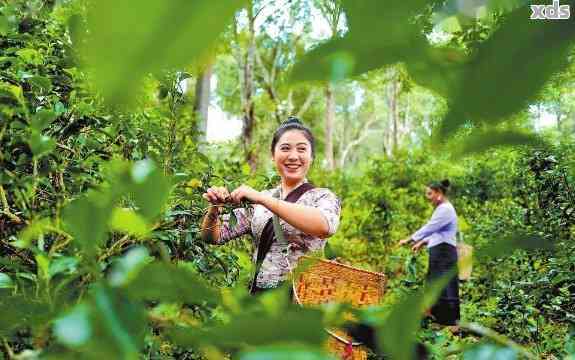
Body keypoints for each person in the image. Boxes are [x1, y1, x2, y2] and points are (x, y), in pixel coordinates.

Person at [200, 117, 341, 294]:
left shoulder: (322, 196)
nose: (293, 156)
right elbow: (213, 236)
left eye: (302, 149)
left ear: (311, 157)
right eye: (285, 148)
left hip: (299, 301)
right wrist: (215, 207)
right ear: (273, 156)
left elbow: (324, 226)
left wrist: (261, 198)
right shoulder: (261, 200)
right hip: (259, 300)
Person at [399, 179, 460, 327]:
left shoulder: (446, 209)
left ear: (439, 193)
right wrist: (422, 242)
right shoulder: (441, 209)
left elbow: (431, 227)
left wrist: (411, 238)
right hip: (440, 250)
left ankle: (449, 322)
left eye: (430, 193)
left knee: (444, 285)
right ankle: (438, 320)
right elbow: (437, 232)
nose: (428, 197)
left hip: (445, 251)